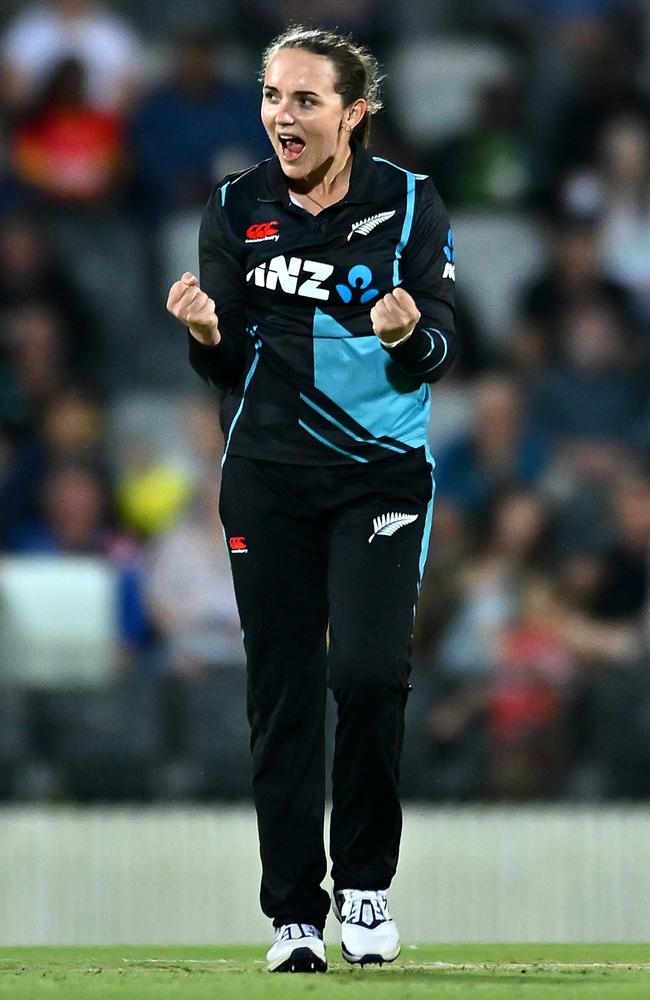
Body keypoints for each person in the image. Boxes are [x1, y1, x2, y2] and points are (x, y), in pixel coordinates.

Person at [166, 25, 456, 973]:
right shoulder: (234, 210)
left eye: (304, 100)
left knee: (368, 674)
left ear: (353, 112)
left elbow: (439, 355)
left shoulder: (410, 203)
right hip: (269, 478)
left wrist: (409, 334)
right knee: (281, 689)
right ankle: (294, 917)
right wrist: (207, 334)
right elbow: (228, 365)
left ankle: (363, 887)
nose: (281, 117)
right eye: (272, 97)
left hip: (378, 472)